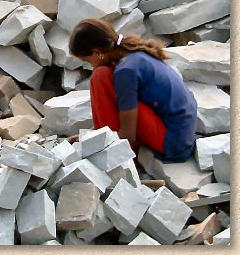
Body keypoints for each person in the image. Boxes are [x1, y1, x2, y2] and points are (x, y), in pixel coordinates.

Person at [68, 18, 197, 163]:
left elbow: (128, 135)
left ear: (97, 52)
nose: (91, 66)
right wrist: (90, 136)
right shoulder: (133, 53)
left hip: (173, 143)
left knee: (99, 76)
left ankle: (118, 157)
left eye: (88, 61)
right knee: (103, 75)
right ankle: (103, 136)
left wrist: (91, 145)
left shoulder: (126, 71)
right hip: (181, 134)